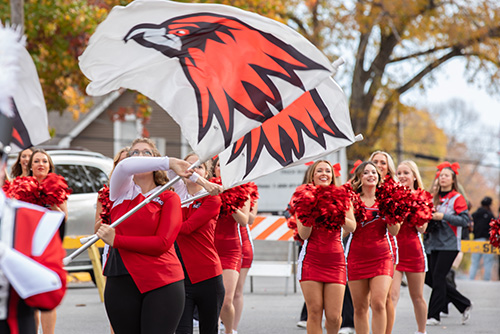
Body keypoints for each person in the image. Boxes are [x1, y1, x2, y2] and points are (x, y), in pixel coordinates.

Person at [96, 137, 192, 334]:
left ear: (155, 161)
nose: (140, 156)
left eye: (146, 153)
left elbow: (162, 243)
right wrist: (170, 162)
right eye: (135, 153)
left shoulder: (168, 197)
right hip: (121, 277)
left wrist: (117, 240)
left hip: (163, 279)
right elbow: (124, 168)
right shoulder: (120, 190)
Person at [0, 118, 67, 334]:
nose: (39, 165)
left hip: (37, 240)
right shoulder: (19, 186)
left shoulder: (30, 217)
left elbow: (51, 293)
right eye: (35, 161)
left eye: (44, 161)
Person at [295, 160, 356, 334]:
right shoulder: (303, 197)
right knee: (314, 312)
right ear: (312, 176)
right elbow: (304, 234)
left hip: (335, 261)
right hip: (311, 260)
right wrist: (312, 209)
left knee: (334, 316)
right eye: (319, 170)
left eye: (327, 171)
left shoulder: (342, 196)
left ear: (332, 176)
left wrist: (336, 209)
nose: (324, 173)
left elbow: (352, 227)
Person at [168, 153, 225, 334]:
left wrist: (161, 225)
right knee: (181, 330)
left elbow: (186, 228)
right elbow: (168, 165)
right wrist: (187, 171)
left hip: (207, 274)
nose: (193, 169)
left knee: (209, 330)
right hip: (180, 277)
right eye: (189, 165)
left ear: (207, 173)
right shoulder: (177, 192)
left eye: (199, 166)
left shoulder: (211, 198)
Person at [345, 161, 401, 334]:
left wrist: (390, 211)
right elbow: (349, 228)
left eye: (374, 173)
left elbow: (395, 230)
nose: (371, 175)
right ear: (360, 177)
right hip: (356, 256)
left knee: (378, 302)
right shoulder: (351, 200)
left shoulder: (387, 199)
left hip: (382, 256)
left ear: (379, 178)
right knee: (360, 307)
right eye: (366, 172)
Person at [424, 163, 472, 326]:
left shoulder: (457, 198)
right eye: (441, 175)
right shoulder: (433, 197)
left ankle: (433, 315)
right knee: (428, 277)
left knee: (438, 277)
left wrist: (443, 216)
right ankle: (463, 303)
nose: (442, 177)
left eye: (446, 175)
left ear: (453, 179)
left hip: (450, 244)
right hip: (432, 243)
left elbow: (465, 221)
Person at [211, 157, 251, 334]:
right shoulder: (207, 190)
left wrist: (229, 202)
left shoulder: (242, 191)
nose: (223, 169)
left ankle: (229, 330)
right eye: (219, 166)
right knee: (211, 298)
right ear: (214, 170)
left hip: (231, 250)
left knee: (227, 300)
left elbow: (244, 221)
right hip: (208, 247)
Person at [94, 147, 130, 334]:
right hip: (113, 252)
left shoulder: (149, 193)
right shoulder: (105, 193)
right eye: (120, 164)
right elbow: (97, 229)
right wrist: (108, 217)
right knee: (116, 306)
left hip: (137, 251)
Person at [392, 161, 428, 334]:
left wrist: (414, 207)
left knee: (417, 297)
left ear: (414, 176)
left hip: (414, 251)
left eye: (406, 173)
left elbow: (422, 228)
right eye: (398, 173)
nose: (402, 176)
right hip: (394, 251)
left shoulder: (422, 197)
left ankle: (421, 331)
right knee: (391, 296)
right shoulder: (391, 196)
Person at [369, 150, 398, 334]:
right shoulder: (360, 184)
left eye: (383, 162)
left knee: (384, 298)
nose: (379, 165)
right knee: (369, 300)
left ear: (388, 168)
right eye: (375, 161)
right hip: (361, 247)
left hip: (386, 245)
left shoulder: (394, 189)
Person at [233, 184, 258, 333]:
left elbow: (250, 219)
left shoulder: (247, 190)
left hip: (241, 241)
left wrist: (230, 204)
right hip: (216, 242)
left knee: (237, 290)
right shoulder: (211, 188)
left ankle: (232, 328)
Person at [469, 196, 495, 280]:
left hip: (476, 239)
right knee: (488, 262)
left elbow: (470, 224)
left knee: (474, 262)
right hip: (487, 241)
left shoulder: (475, 214)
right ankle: (486, 280)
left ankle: (471, 279)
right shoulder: (490, 215)